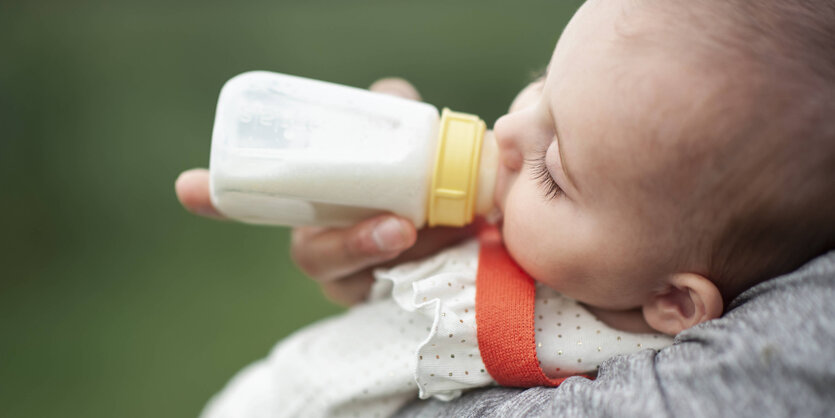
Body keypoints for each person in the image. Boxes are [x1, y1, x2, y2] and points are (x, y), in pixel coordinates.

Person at [176, 0, 835, 416]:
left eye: (553, 173)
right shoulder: (566, 236)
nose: (511, 132)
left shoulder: (602, 358)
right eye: (541, 85)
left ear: (673, 304)